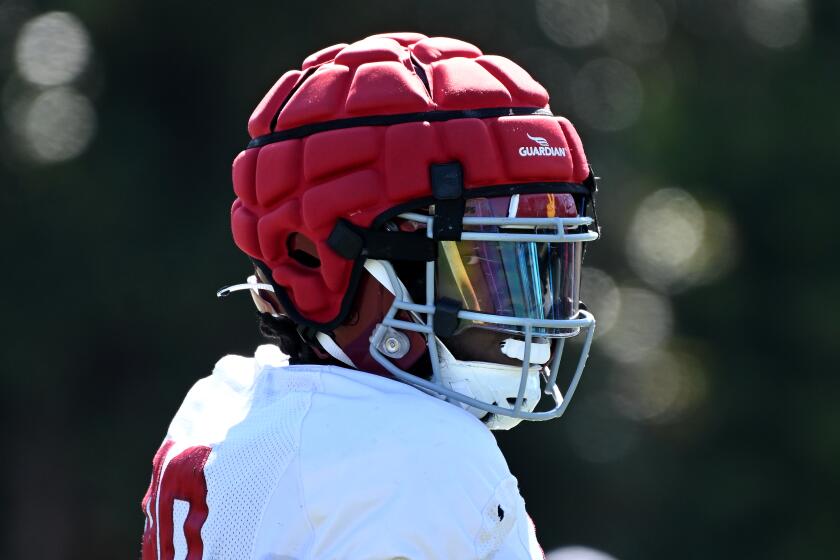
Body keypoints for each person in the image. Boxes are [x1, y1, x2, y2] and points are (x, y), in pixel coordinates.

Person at [141, 32, 601, 559]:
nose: (532, 322)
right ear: (317, 259)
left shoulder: (221, 402)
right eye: (483, 268)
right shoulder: (426, 452)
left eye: (541, 267)